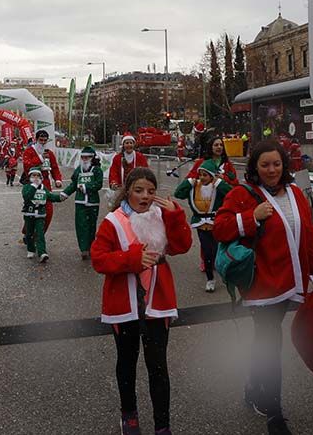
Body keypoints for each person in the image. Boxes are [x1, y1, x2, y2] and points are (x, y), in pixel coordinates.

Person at [214, 140, 313, 435]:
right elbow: (220, 227)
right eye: (265, 164)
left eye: (277, 164)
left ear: (285, 165)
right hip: (263, 285)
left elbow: (309, 235)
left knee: (264, 341)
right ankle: (275, 414)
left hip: (291, 282)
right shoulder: (244, 195)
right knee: (272, 343)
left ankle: (252, 386)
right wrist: (250, 218)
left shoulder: (294, 193)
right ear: (255, 167)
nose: (271, 170)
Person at [91, 167, 191, 435]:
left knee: (158, 366)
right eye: (138, 190)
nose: (145, 196)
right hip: (124, 303)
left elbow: (182, 246)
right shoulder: (114, 221)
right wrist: (132, 260)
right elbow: (98, 259)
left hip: (157, 300)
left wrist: (175, 215)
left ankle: (162, 425)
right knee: (127, 362)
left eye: (150, 191)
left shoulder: (161, 216)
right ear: (128, 191)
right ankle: (129, 415)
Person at [174, 158, 234, 292]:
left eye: (205, 175)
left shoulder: (217, 187)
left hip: (216, 224)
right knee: (207, 252)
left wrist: (219, 182)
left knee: (218, 252)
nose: (202, 177)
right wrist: (188, 181)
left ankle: (225, 275)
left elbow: (231, 194)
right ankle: (210, 279)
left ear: (211, 176)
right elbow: (178, 193)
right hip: (201, 225)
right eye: (200, 174)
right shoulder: (195, 186)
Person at [63, 146, 105, 259]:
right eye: (83, 157)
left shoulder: (97, 170)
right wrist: (65, 193)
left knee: (91, 225)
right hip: (80, 202)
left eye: (87, 157)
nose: (85, 159)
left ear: (92, 158)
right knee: (81, 225)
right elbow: (73, 184)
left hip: (93, 202)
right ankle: (84, 249)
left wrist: (86, 187)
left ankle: (91, 247)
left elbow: (99, 184)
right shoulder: (78, 170)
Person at [21, 167, 67, 263]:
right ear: (30, 177)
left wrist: (60, 197)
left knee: (40, 234)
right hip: (29, 214)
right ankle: (31, 249)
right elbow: (27, 196)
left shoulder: (43, 188)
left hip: (40, 215)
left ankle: (42, 253)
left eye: (38, 175)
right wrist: (34, 186)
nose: (36, 177)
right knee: (29, 233)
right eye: (34, 175)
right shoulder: (27, 187)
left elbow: (49, 196)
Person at [22, 130, 63, 230]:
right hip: (32, 184)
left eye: (45, 140)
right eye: (41, 140)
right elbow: (27, 165)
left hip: (45, 184)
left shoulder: (49, 153)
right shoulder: (29, 151)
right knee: (31, 211)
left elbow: (54, 168)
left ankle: (39, 235)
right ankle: (28, 233)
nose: (43, 142)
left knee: (48, 211)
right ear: (36, 139)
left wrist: (58, 179)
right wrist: (40, 158)